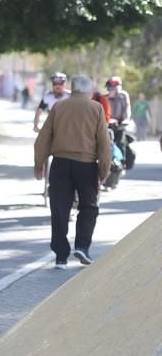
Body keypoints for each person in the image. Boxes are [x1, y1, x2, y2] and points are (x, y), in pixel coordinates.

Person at [34, 75, 111, 269]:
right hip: (86, 165)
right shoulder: (96, 108)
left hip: (60, 164)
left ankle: (61, 256)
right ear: (89, 91)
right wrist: (104, 170)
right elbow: (103, 142)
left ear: (72, 88)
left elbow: (44, 136)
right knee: (89, 206)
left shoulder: (59, 107)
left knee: (59, 208)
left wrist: (39, 163)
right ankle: (82, 247)